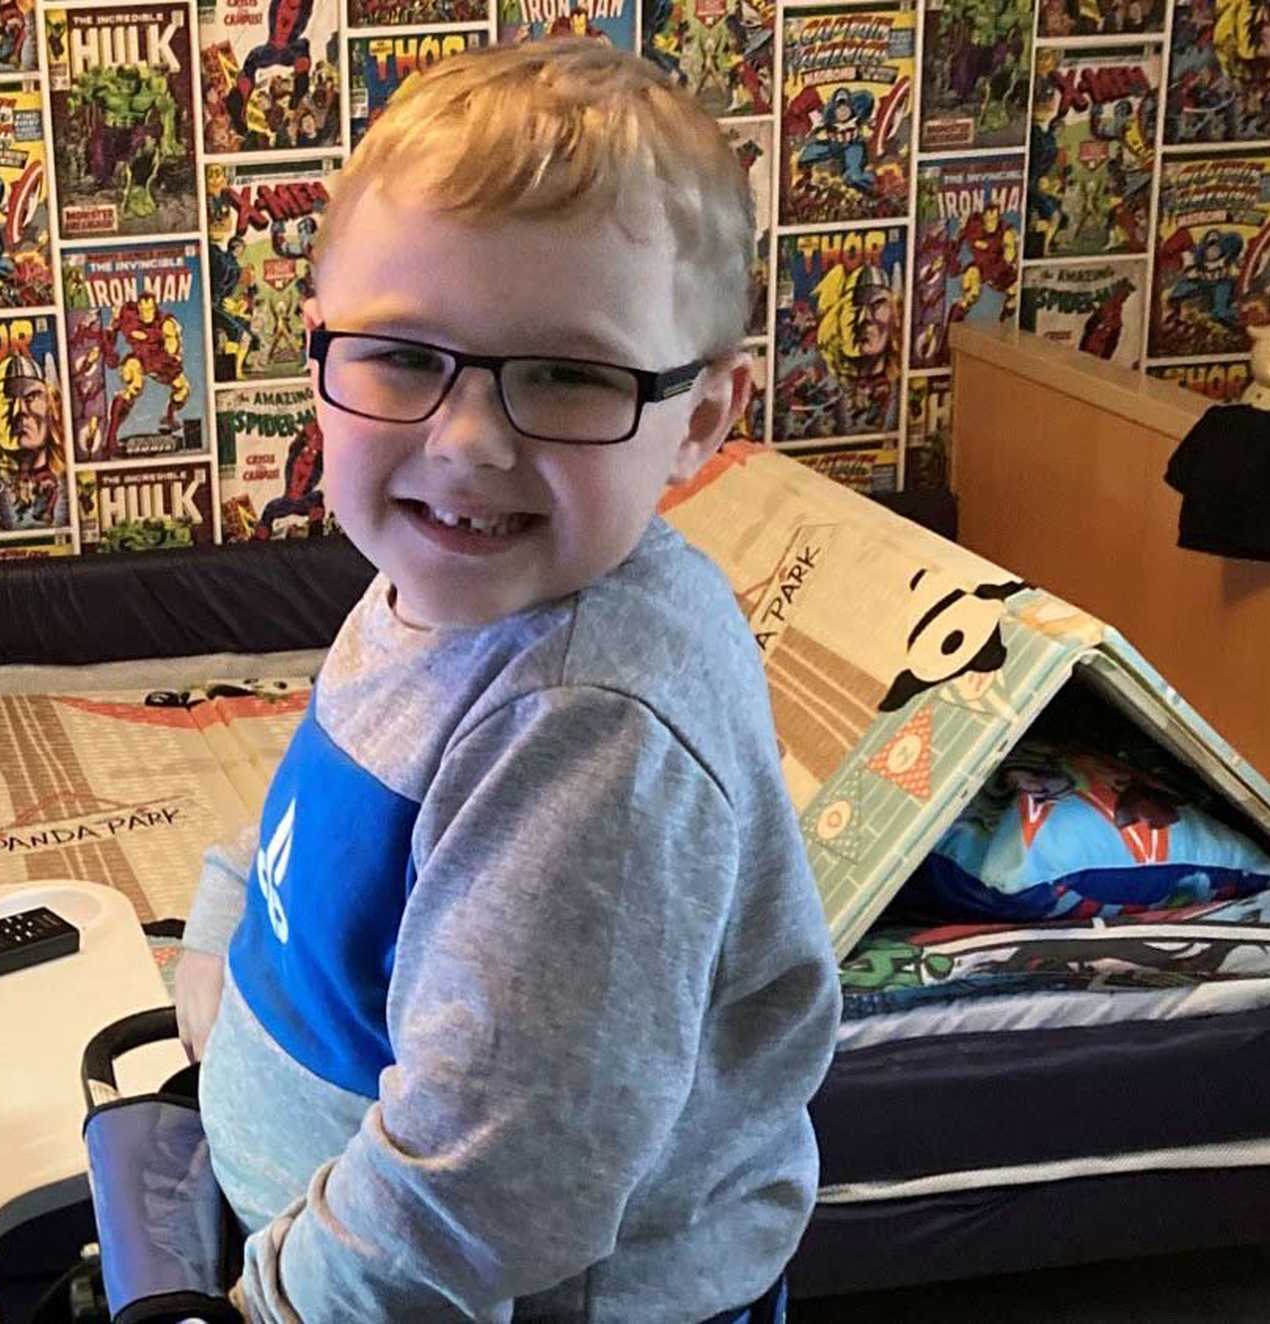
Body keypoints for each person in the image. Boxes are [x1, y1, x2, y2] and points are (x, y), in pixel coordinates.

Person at [171, 43, 839, 1322]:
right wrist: (218, 938)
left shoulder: (588, 734)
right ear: (321, 357)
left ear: (700, 420)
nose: (469, 443)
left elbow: (490, 1190)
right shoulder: (443, 579)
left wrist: (268, 1307)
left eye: (569, 373)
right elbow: (337, 819)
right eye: (402, 356)